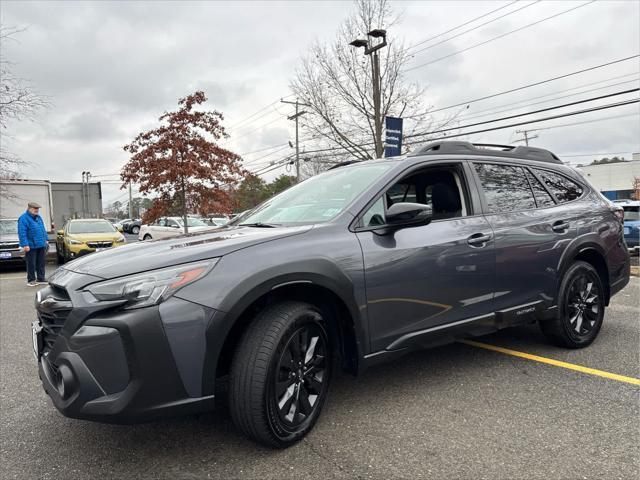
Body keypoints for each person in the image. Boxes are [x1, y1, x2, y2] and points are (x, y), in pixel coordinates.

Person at [17, 201, 49, 286]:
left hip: (41, 244)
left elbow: (43, 229)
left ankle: (41, 278)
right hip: (31, 245)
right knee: (31, 263)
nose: (37, 210)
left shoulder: (38, 217)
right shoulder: (23, 218)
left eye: (37, 209)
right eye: (35, 209)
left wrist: (46, 239)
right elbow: (22, 232)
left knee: (41, 263)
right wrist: (25, 244)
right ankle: (31, 280)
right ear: (29, 208)